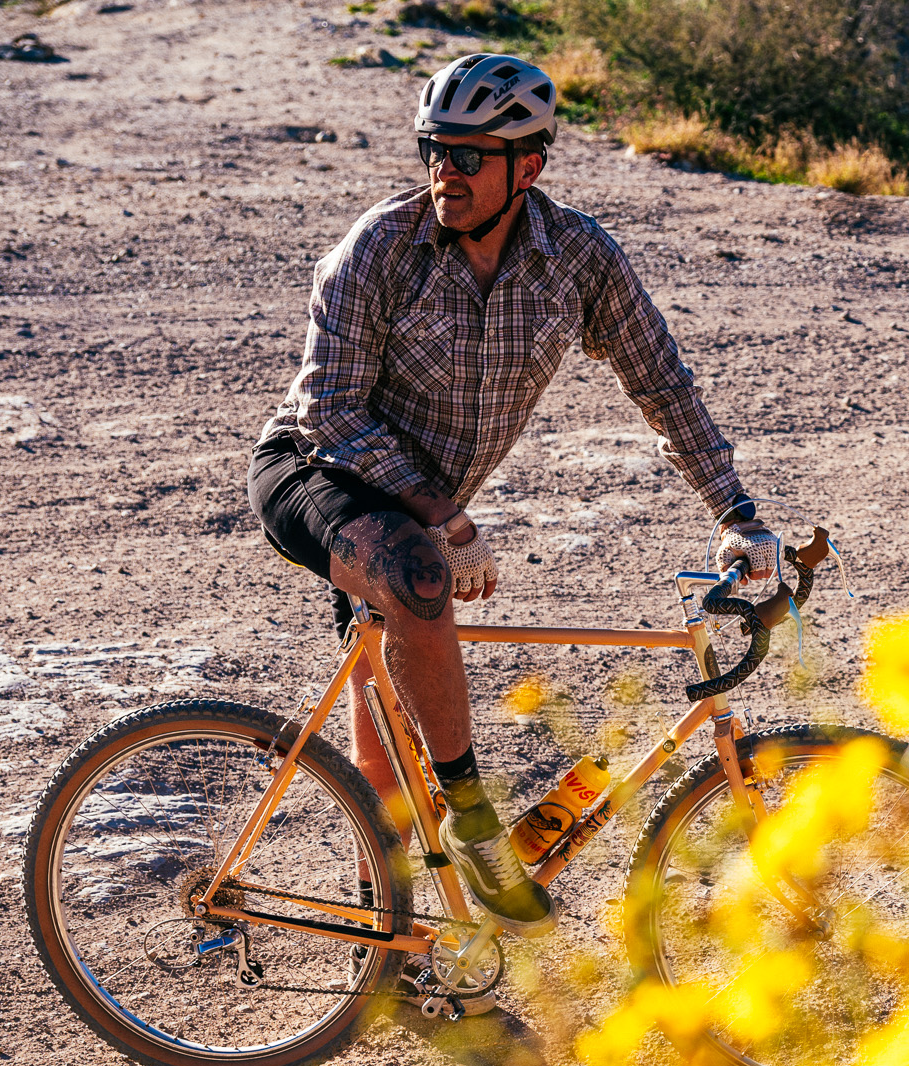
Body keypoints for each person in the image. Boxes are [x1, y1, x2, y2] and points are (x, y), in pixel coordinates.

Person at [246, 54, 779, 937]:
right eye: (434, 150)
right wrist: (444, 517)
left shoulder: (577, 258)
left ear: (527, 167)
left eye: (468, 156)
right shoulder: (381, 247)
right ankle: (477, 825)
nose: (443, 172)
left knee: (395, 711)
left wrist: (735, 510)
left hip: (414, 510)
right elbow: (327, 411)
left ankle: (394, 935)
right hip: (314, 469)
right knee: (420, 579)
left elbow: (662, 382)